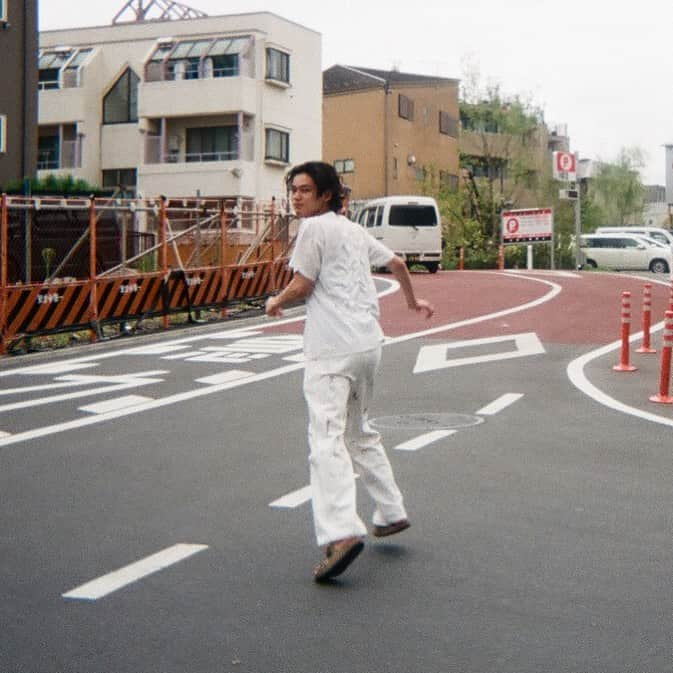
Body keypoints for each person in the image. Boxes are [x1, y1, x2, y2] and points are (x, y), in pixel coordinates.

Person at [265, 161, 434, 582]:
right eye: (294, 190)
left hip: (331, 351)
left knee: (325, 438)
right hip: (367, 346)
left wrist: (276, 301)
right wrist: (413, 303)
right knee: (358, 431)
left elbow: (303, 284)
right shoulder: (354, 230)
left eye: (305, 190)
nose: (297, 197)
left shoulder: (313, 229)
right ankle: (391, 511)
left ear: (326, 195)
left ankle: (341, 532)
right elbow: (397, 264)